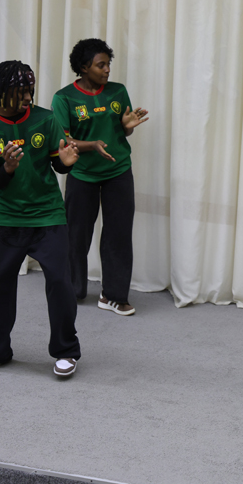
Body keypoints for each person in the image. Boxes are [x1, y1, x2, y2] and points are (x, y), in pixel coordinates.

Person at [0, 60, 82, 377]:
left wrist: (67, 162)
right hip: (5, 218)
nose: (28, 98)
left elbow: (58, 165)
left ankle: (66, 351)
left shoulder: (46, 119)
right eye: (21, 92)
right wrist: (6, 168)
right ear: (1, 93)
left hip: (47, 215)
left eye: (30, 91)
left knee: (60, 282)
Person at [51, 38, 149, 316]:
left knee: (119, 234)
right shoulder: (64, 98)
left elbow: (124, 128)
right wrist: (91, 145)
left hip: (118, 172)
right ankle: (72, 289)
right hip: (83, 174)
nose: (107, 69)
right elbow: (63, 140)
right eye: (101, 65)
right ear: (84, 67)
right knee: (76, 235)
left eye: (108, 64)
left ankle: (113, 296)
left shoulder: (118, 91)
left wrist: (127, 127)